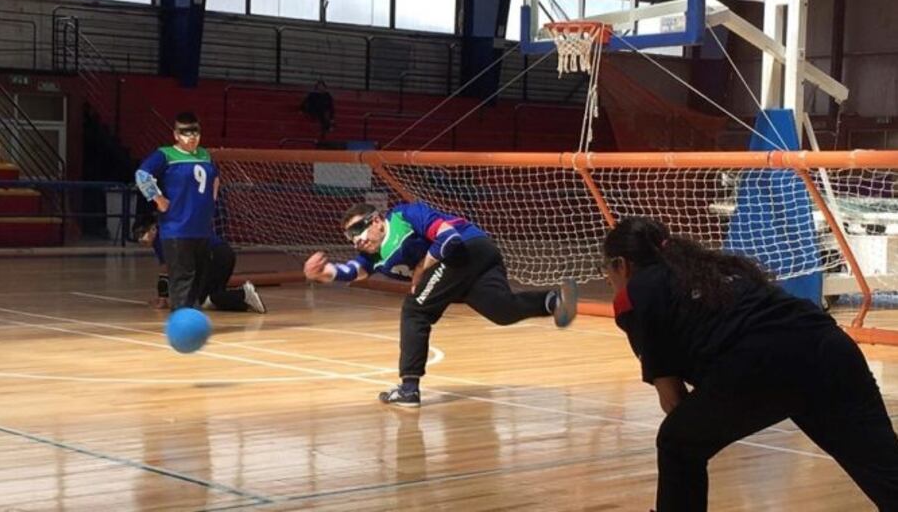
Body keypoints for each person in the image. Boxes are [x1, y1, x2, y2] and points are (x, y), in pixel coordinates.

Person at [599, 216, 898, 511]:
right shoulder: (714, 269)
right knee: (885, 471)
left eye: (606, 269)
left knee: (677, 443)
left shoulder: (635, 294)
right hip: (830, 346)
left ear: (621, 265)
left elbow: (673, 399)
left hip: (762, 365)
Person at [303, 201, 576, 408]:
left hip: (467, 250)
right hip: (471, 265)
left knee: (415, 311)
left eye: (358, 229)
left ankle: (409, 388)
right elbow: (353, 271)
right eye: (350, 236)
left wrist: (421, 269)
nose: (356, 239)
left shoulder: (406, 215)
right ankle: (553, 300)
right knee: (501, 310)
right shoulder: (373, 256)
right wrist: (322, 274)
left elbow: (450, 238)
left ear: (377, 220)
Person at [135, 112, 219, 311]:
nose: (191, 137)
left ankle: (192, 325)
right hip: (177, 229)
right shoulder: (165, 154)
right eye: (185, 133)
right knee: (183, 283)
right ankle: (182, 329)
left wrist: (211, 201)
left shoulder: (205, 155)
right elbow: (142, 174)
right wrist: (158, 199)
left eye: (195, 132)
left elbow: (215, 177)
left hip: (202, 229)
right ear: (176, 135)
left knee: (198, 282)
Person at [132, 215, 266, 313]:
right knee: (212, 296)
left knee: (201, 300)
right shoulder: (169, 230)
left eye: (142, 233)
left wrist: (162, 298)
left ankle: (244, 294)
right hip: (224, 253)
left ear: (153, 228)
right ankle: (244, 300)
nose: (140, 239)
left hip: (215, 255)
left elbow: (165, 269)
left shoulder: (162, 237)